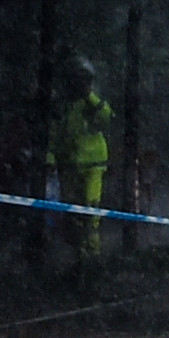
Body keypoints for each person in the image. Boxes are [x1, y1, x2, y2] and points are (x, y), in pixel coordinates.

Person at [52, 62, 116, 259]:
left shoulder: (94, 102)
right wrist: (51, 157)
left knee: (91, 209)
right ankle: (78, 252)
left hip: (94, 163)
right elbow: (54, 132)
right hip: (69, 163)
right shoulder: (62, 104)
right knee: (72, 210)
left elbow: (108, 117)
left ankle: (92, 253)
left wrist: (89, 95)